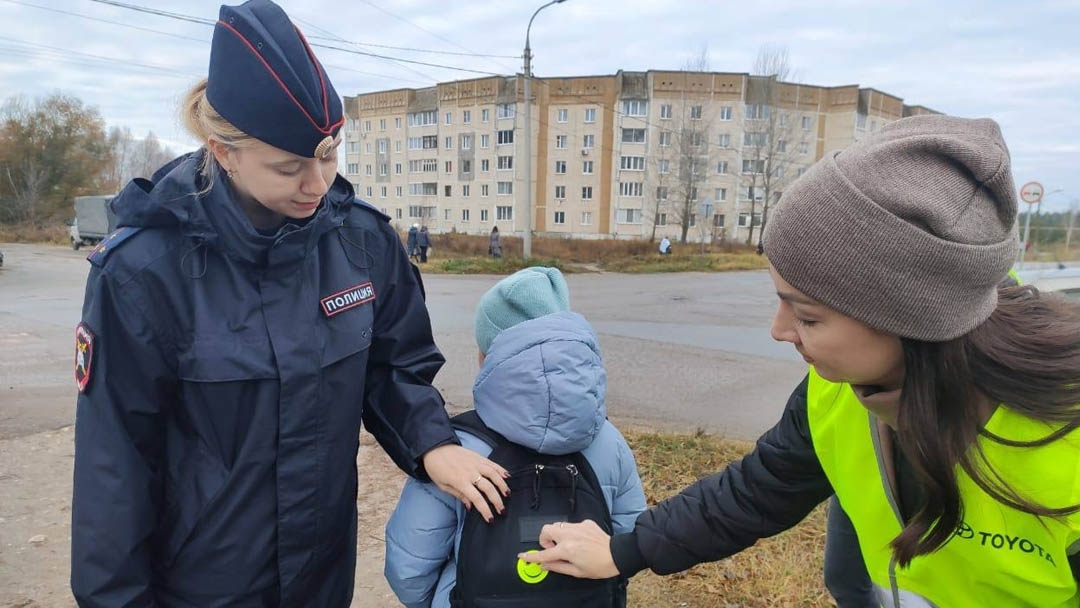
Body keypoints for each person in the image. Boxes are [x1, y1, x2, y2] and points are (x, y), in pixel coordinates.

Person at [520, 115, 1080, 606]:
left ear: (915, 319)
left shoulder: (1066, 446)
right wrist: (625, 550)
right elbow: (759, 489)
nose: (779, 331)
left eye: (808, 317)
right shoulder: (835, 391)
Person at [69, 2, 510, 605]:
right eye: (289, 167)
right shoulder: (144, 272)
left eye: (329, 155)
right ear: (224, 152)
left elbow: (394, 368)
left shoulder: (362, 242)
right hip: (201, 584)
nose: (318, 184)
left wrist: (431, 443)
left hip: (321, 577)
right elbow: (112, 468)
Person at [384, 267, 646, 608]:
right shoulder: (609, 443)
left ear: (486, 356)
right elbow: (626, 540)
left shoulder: (455, 452)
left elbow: (409, 567)